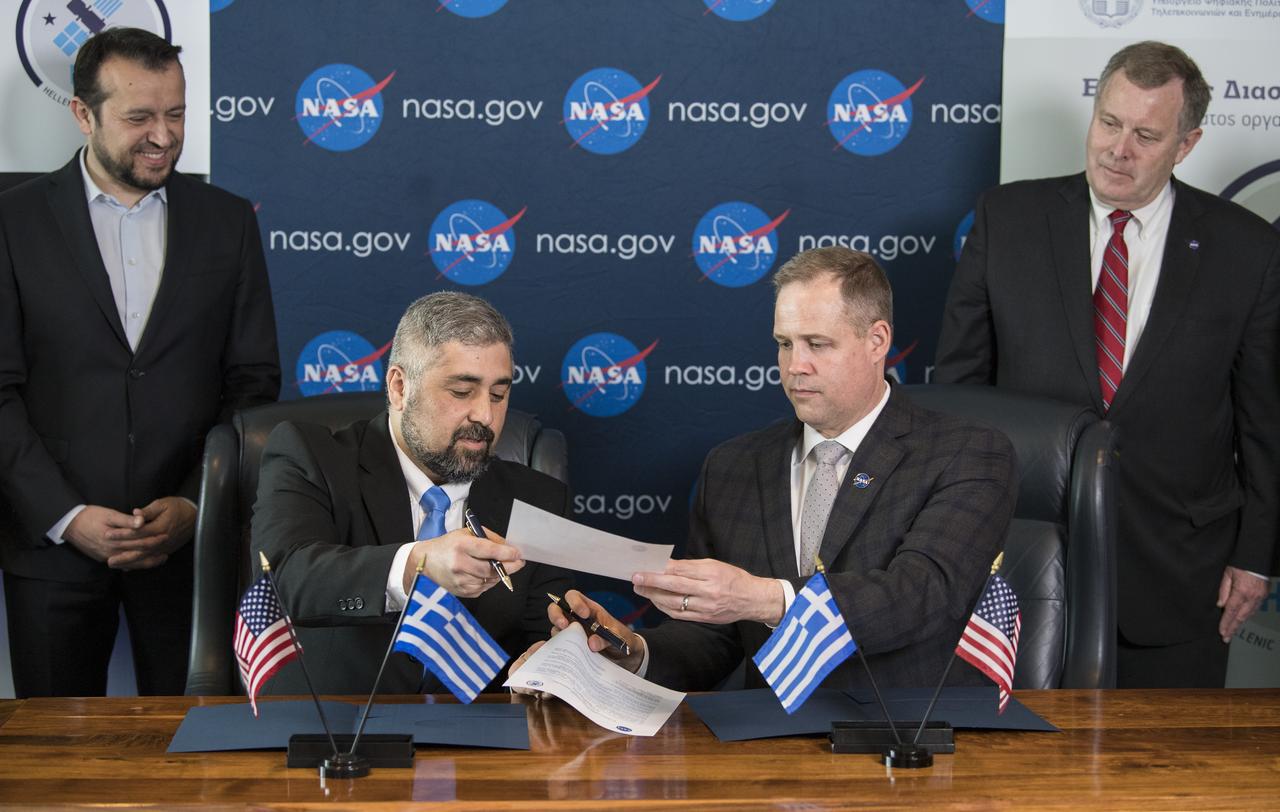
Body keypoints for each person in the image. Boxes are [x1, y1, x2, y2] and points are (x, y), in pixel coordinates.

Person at [514, 247, 1017, 693]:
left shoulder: (968, 453)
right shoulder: (734, 466)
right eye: (784, 343)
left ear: (877, 340)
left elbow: (919, 596)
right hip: (769, 743)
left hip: (908, 739)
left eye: (817, 344)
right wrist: (634, 652)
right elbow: (714, 639)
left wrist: (764, 598)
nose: (795, 366)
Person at [933, 41, 1279, 687]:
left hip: (1181, 574)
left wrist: (1256, 556)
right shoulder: (1007, 219)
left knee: (1164, 752)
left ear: (1186, 144)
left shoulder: (1247, 249)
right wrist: (952, 535)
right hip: (1018, 568)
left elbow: (1265, 423)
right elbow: (959, 395)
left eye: (1146, 135)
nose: (1118, 149)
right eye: (1109, 123)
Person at [0, 28, 280, 697]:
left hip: (189, 552)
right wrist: (66, 516)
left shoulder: (228, 222)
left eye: (175, 114)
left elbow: (252, 384)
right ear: (83, 113)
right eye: (139, 118)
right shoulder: (12, 222)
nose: (163, 136)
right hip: (50, 552)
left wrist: (194, 503)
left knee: (197, 749)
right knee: (56, 753)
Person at [250, 291, 571, 694]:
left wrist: (549, 659)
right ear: (400, 388)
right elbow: (284, 579)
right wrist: (417, 564)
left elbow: (543, 635)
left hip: (478, 728)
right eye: (462, 392)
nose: (485, 416)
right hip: (336, 720)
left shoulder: (539, 499)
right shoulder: (312, 456)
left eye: (498, 394)